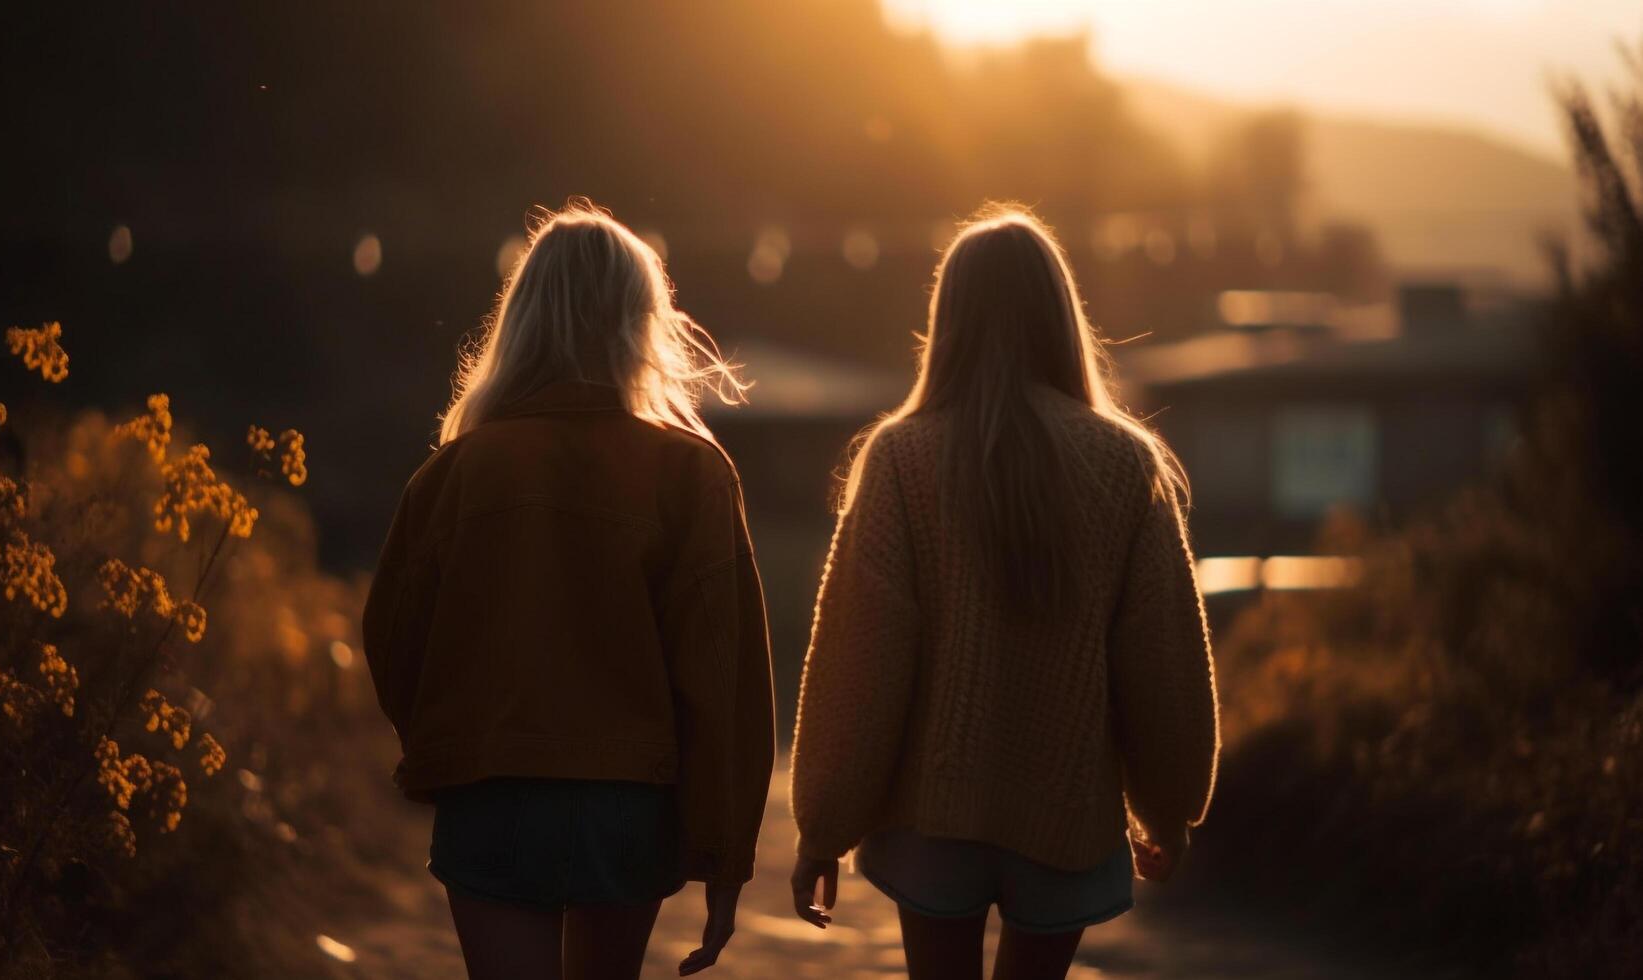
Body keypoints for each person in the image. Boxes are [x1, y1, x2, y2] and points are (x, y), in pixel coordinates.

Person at [788, 205, 1219, 980]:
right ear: (1060, 314)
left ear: (945, 316)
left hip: (931, 822)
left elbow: (858, 656)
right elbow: (1162, 658)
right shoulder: (1126, 464)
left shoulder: (899, 460)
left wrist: (823, 827)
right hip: (1067, 819)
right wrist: (1168, 805)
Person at [362, 200, 775, 980]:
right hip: (622, 809)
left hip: (493, 795)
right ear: (639, 324)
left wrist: (448, 747)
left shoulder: (454, 474)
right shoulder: (690, 475)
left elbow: (393, 642)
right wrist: (723, 860)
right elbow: (725, 681)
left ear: (519, 320)